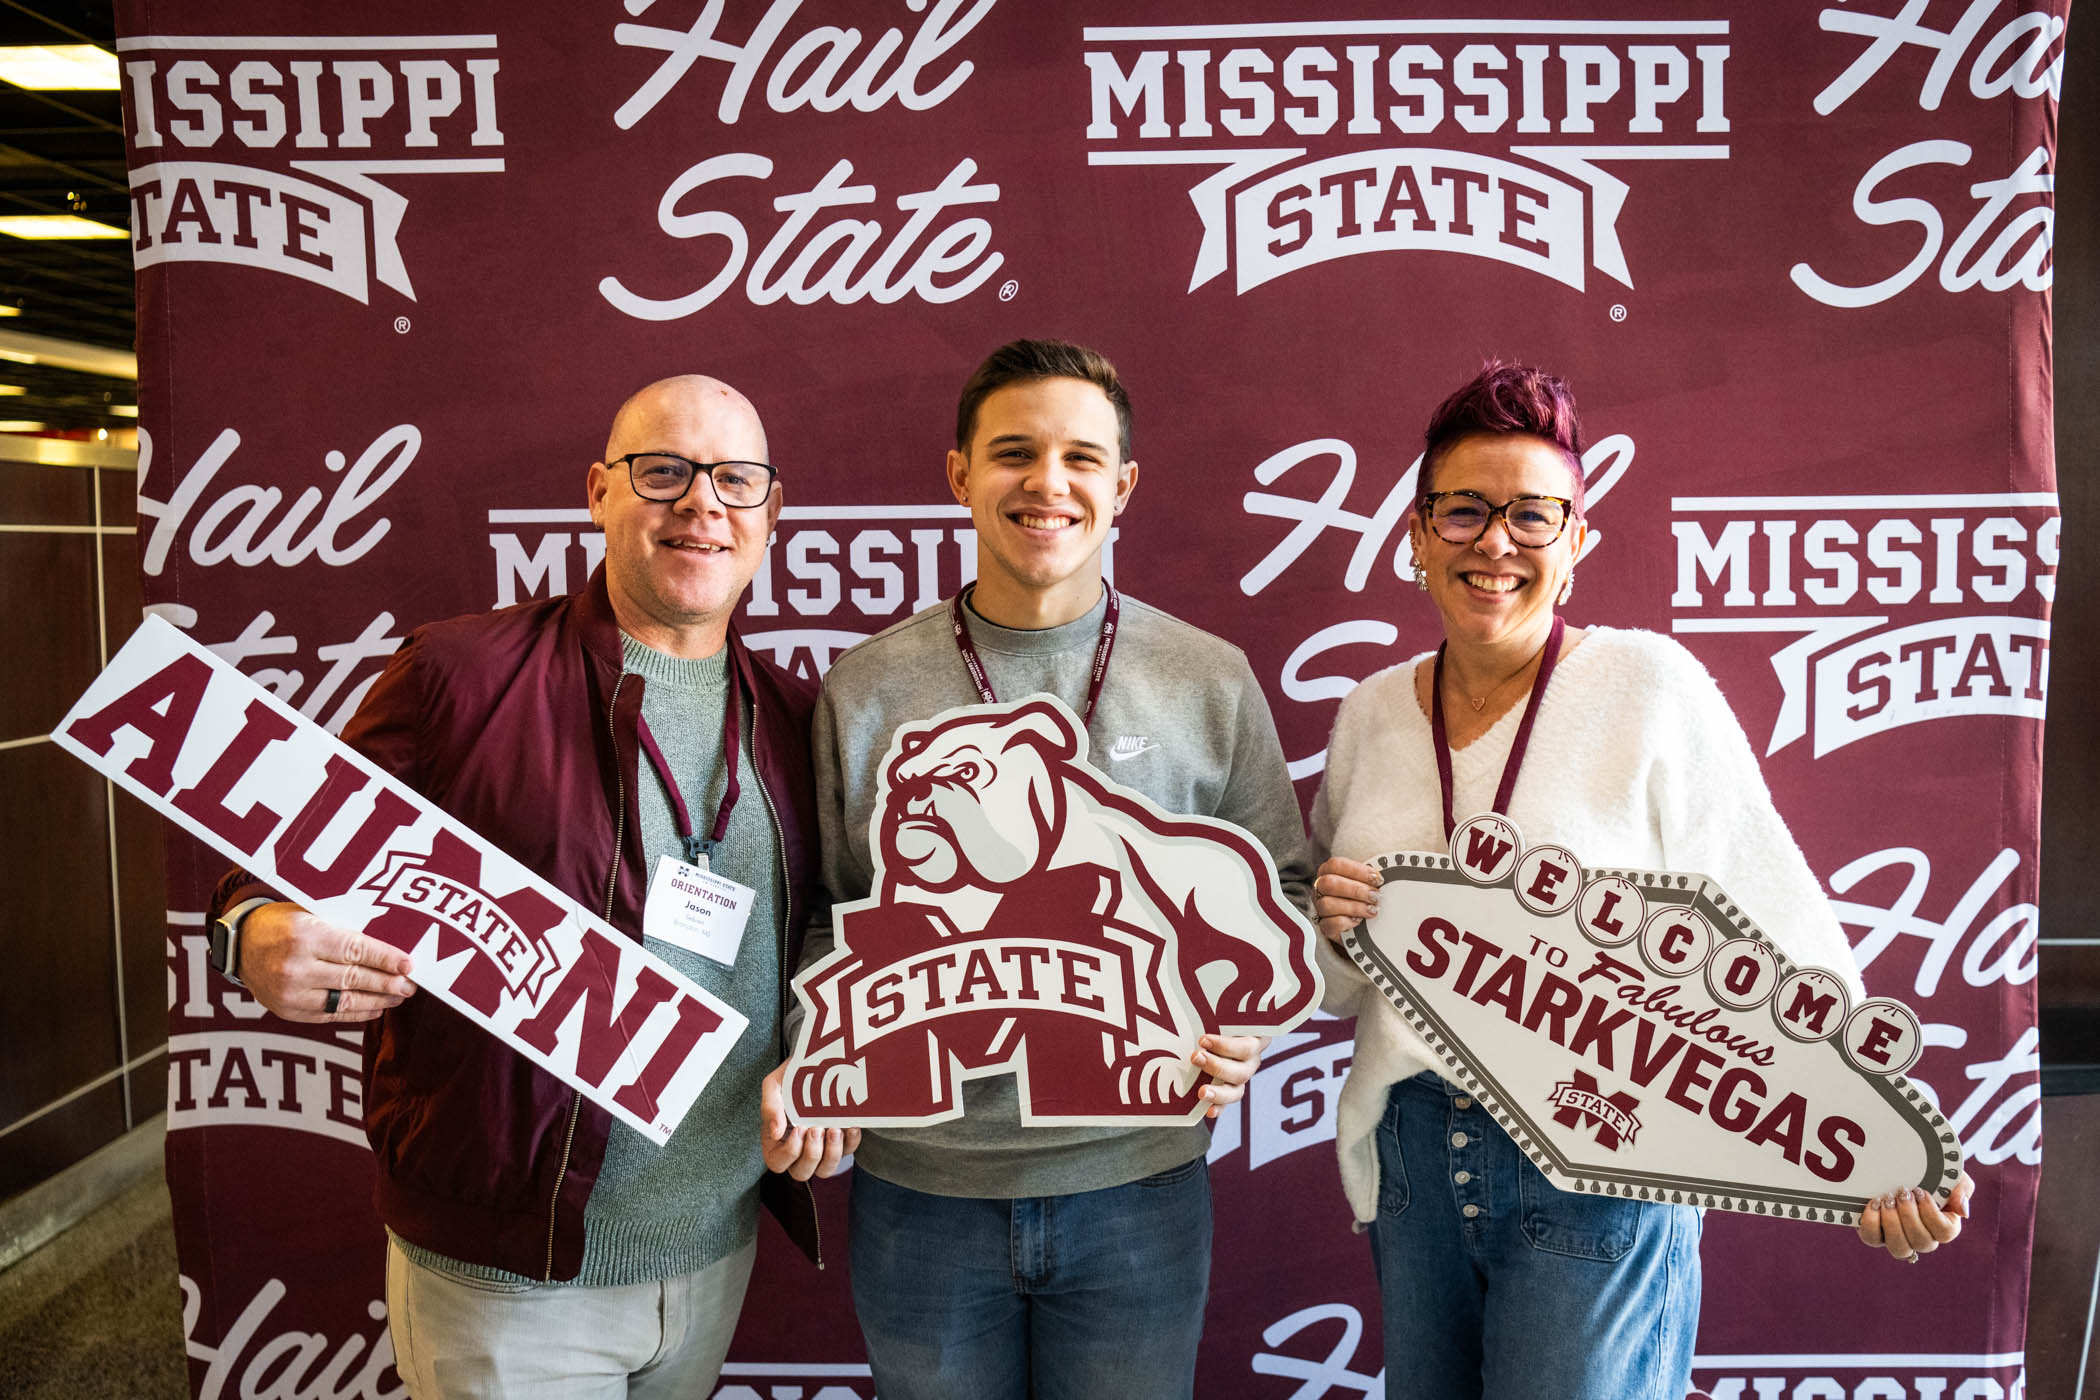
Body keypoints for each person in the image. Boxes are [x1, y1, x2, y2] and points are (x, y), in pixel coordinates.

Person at [1307, 360, 1975, 1400]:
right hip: (1415, 1157)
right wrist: (1337, 929)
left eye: (1534, 515)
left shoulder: (1648, 688)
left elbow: (1776, 923)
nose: (1496, 542)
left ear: (1577, 543)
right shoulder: (1369, 715)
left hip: (1602, 1154)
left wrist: (1875, 1133)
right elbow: (1344, 980)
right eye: (1466, 510)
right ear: (1417, 532)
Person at [204, 375, 857, 1398]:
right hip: (509, 1276)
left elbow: (826, 926)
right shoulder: (457, 675)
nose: (702, 503)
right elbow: (271, 858)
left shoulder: (794, 716)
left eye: (736, 478)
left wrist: (831, 1037)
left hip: (711, 1247)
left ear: (771, 513)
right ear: (599, 492)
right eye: (665, 472)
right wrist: (251, 927)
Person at [761, 338, 1315, 1400]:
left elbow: (1280, 895)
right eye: (1013, 452)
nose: (1047, 483)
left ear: (1123, 487)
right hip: (922, 1188)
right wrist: (816, 1048)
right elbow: (833, 910)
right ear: (961, 473)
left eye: (1080, 457)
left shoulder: (1208, 678)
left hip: (1138, 1182)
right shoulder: (868, 689)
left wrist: (1246, 1021)